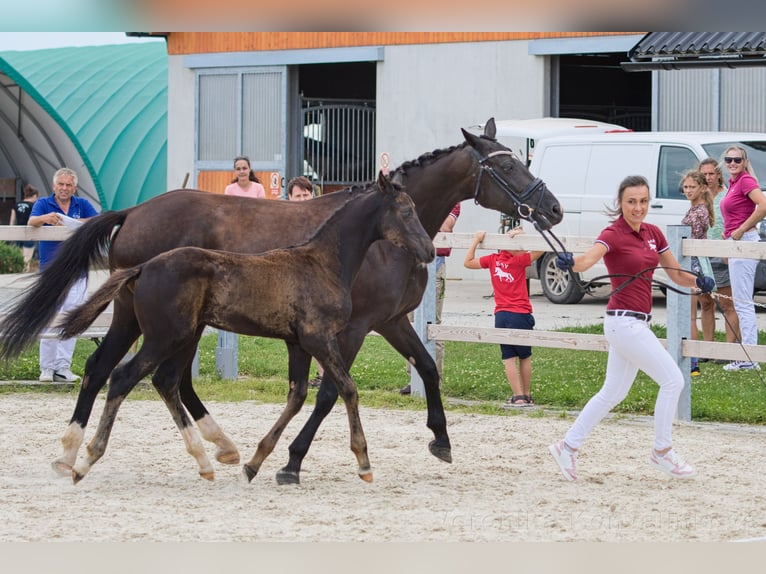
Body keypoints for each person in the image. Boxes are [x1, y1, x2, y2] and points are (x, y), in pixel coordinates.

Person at [548, 175, 715, 481]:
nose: (638, 208)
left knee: (612, 392)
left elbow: (676, 274)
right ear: (620, 204)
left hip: (635, 323)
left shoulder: (653, 233)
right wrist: (569, 262)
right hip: (623, 323)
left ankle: (567, 446)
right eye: (631, 202)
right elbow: (587, 261)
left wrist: (700, 282)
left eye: (643, 201)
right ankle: (662, 451)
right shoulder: (612, 234)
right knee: (673, 381)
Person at [28, 168, 99, 382]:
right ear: (54, 186)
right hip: (51, 269)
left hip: (77, 269)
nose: (64, 188)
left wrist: (79, 224)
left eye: (68, 185)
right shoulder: (43, 204)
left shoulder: (82, 205)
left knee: (72, 317)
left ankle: (63, 366)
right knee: (50, 317)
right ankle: (47, 368)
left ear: (74, 187)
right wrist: (46, 219)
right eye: (61, 184)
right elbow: (32, 222)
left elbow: (98, 220)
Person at [463, 226, 543, 406]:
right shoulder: (520, 260)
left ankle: (517, 396)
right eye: (520, 245)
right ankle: (527, 394)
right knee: (525, 356)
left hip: (501, 315)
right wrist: (525, 237)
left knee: (508, 357)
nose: (522, 248)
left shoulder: (492, 260)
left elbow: (467, 262)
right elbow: (542, 247)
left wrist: (476, 239)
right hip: (521, 314)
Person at [400, 203, 461, 395]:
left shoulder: (453, 202)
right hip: (410, 266)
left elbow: (445, 226)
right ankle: (414, 378)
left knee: (433, 324)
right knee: (408, 324)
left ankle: (434, 379)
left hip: (435, 264)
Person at [719, 146, 766, 371]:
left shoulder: (746, 181)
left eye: (737, 159)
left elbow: (763, 205)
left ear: (744, 161)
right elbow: (736, 212)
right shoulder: (733, 183)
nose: (732, 163)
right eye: (729, 159)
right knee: (741, 301)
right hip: (736, 241)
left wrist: (741, 229)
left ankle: (749, 358)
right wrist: (729, 232)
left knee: (743, 303)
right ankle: (748, 356)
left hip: (745, 241)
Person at [697, 157, 740, 355]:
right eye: (704, 174)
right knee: (705, 303)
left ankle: (729, 350)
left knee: (727, 303)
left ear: (718, 174)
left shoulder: (726, 196)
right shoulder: (698, 196)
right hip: (702, 253)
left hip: (722, 252)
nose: (708, 178)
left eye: (711, 173)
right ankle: (708, 348)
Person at [286, 175, 324, 386]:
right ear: (290, 198)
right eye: (298, 196)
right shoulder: (286, 223)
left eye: (306, 195)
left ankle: (325, 375)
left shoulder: (323, 218)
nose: (302, 199)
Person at [680, 169, 714, 376]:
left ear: (702, 188)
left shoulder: (699, 211)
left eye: (692, 187)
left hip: (693, 263)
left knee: (690, 315)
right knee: (691, 312)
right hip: (693, 261)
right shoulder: (695, 209)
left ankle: (693, 362)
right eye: (685, 187)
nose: (688, 190)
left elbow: (689, 236)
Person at [9, 183, 39, 272]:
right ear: (34, 196)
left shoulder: (16, 205)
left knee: (18, 255)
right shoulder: (33, 206)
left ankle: (17, 271)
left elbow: (12, 221)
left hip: (18, 232)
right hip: (29, 232)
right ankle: (24, 272)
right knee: (27, 257)